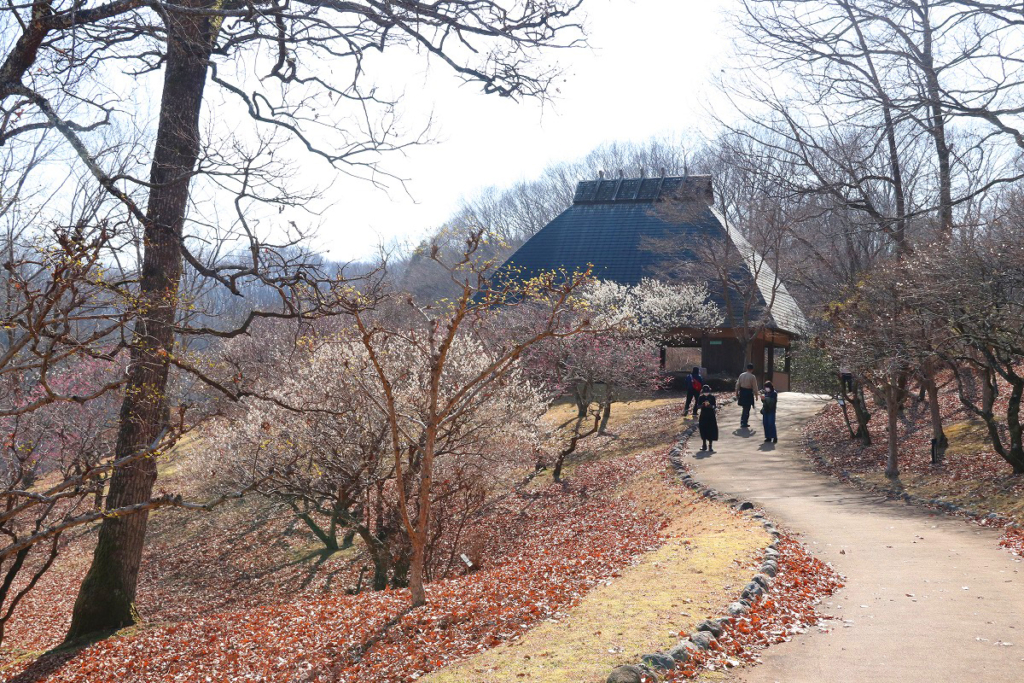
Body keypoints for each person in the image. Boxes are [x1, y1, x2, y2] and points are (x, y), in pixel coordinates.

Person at [736, 363, 759, 429]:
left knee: (744, 407)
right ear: (752, 369)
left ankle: (743, 421)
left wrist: (736, 392)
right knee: (747, 408)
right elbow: (755, 387)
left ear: (747, 368)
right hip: (748, 392)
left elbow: (737, 385)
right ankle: (744, 422)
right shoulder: (752, 377)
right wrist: (756, 395)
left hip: (742, 392)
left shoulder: (741, 375)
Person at [697, 384, 718, 451]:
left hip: (711, 415)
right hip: (703, 415)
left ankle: (710, 445)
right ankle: (704, 444)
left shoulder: (712, 397)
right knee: (703, 429)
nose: (706, 393)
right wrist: (702, 405)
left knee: (711, 430)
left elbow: (714, 406)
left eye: (707, 392)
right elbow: (698, 406)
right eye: (705, 392)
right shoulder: (700, 397)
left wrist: (710, 406)